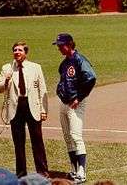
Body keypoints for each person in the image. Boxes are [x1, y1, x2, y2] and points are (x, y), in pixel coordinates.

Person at [0, 41, 49, 178]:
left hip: (32, 107)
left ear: (26, 53)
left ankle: (42, 172)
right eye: (15, 50)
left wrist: (44, 110)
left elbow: (42, 90)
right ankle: (21, 174)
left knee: (37, 141)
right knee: (18, 143)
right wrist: (6, 81)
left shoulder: (35, 67)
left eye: (20, 50)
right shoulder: (7, 68)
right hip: (16, 107)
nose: (17, 52)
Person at [52, 33, 96, 184]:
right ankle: (74, 169)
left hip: (76, 103)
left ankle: (82, 173)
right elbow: (63, 79)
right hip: (64, 102)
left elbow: (91, 78)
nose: (58, 48)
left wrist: (79, 97)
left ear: (70, 44)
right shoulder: (64, 63)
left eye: (61, 45)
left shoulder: (79, 60)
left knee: (76, 136)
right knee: (67, 136)